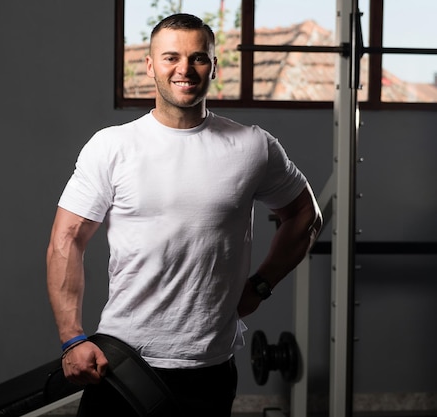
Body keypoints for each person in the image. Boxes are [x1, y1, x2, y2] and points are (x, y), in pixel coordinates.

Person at [46, 12, 323, 417]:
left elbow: (305, 215)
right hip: (122, 360)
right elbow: (66, 238)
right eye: (171, 57)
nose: (185, 69)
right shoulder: (113, 147)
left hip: (209, 365)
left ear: (213, 65)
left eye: (198, 58)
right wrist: (72, 337)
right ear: (150, 65)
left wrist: (262, 284)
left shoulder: (252, 146)